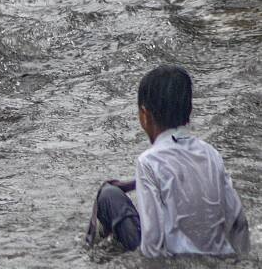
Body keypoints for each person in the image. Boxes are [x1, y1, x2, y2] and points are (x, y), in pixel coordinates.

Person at [87, 65, 250, 257]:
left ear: (144, 115)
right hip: (220, 255)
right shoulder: (211, 154)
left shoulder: (149, 162)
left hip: (173, 259)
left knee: (108, 195)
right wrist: (238, 259)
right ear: (189, 110)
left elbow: (153, 242)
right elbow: (239, 222)